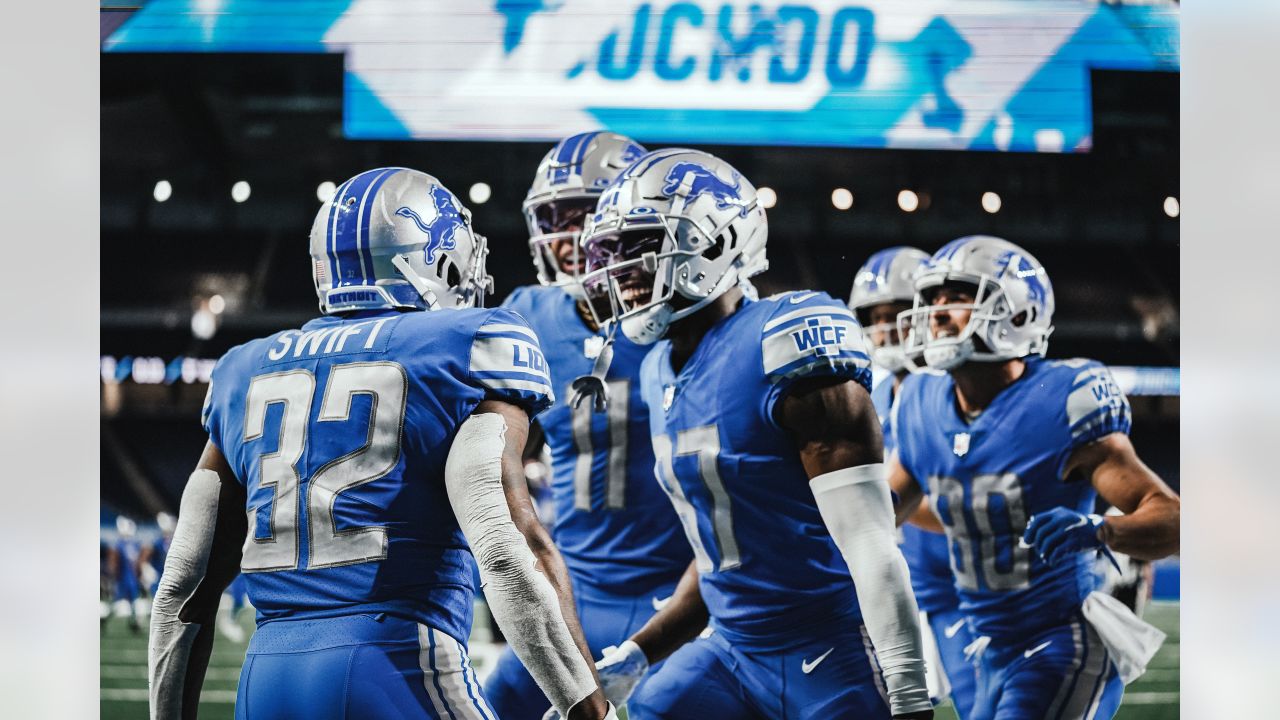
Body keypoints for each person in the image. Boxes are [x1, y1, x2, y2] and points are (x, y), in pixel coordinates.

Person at [148, 167, 615, 720]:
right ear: (431, 258)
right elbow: (507, 552)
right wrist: (594, 713)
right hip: (395, 663)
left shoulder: (243, 369)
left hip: (266, 680)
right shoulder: (464, 343)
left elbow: (183, 584)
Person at [570, 148, 933, 719]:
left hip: (828, 647)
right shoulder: (656, 370)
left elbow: (871, 543)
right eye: (612, 253)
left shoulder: (785, 343)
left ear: (714, 243)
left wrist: (909, 693)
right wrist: (638, 655)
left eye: (639, 248)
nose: (622, 271)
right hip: (731, 648)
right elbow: (718, 556)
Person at [888, 235, 1180, 720]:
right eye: (932, 299)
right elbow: (878, 510)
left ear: (1017, 313)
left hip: (1059, 641)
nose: (937, 312)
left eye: (958, 296)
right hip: (989, 648)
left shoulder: (1060, 400)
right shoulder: (918, 402)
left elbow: (1170, 516)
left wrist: (1101, 531)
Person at [486, 132, 693, 719]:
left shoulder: (684, 314)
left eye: (582, 215)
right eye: (553, 218)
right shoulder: (529, 315)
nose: (564, 236)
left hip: (674, 592)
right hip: (570, 591)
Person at [850, 247, 978, 719]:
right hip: (896, 587)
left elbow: (967, 505)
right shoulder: (872, 393)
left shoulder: (954, 390)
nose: (884, 328)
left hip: (959, 588)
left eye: (897, 314)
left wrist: (866, 509)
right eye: (875, 316)